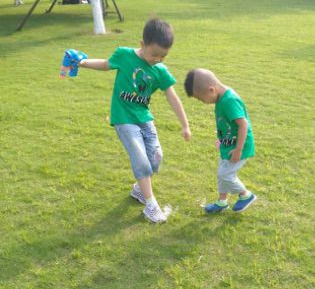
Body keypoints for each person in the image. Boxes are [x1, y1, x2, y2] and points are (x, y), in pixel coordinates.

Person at [78, 18, 191, 223]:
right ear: (142, 44)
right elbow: (105, 64)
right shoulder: (124, 55)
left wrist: (185, 125)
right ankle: (151, 206)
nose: (158, 59)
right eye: (154, 54)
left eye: (163, 56)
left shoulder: (159, 70)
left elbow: (172, 97)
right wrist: (83, 62)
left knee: (156, 158)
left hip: (144, 118)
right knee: (141, 161)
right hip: (123, 118)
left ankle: (139, 190)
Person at [184, 68, 256, 213]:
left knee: (225, 174)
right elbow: (229, 123)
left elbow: (243, 125)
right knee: (221, 172)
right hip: (229, 144)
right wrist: (223, 139)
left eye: (201, 99)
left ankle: (245, 195)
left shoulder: (229, 100)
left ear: (211, 90)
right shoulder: (221, 97)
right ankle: (222, 202)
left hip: (239, 146)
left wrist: (238, 149)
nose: (202, 102)